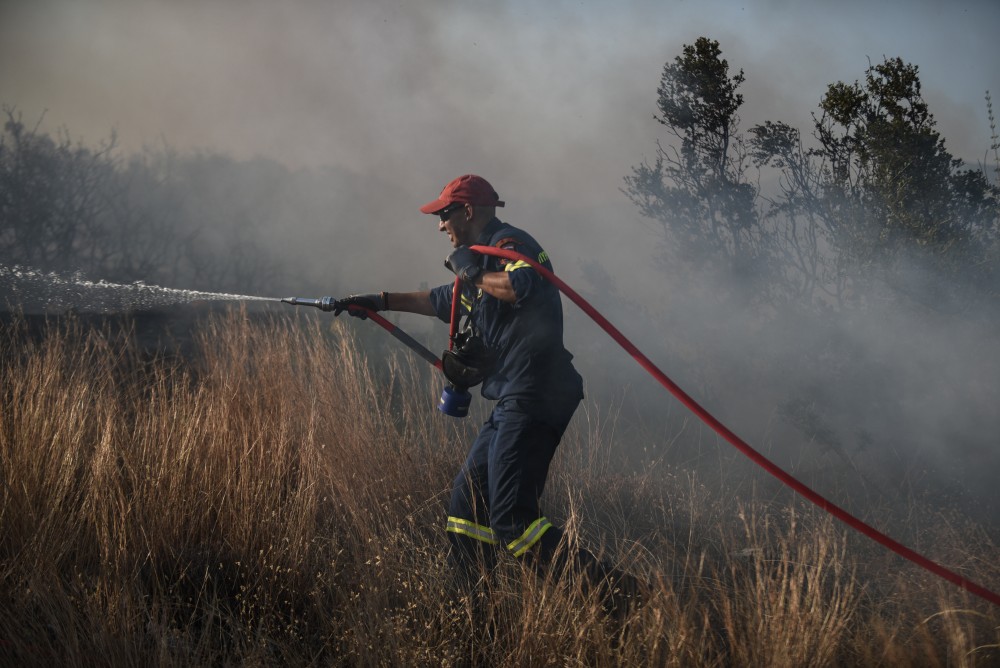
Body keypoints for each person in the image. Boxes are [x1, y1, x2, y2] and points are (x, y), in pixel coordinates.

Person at [337, 174, 628, 600]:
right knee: (465, 508)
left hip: (537, 392)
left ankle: (621, 598)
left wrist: (472, 270)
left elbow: (519, 286)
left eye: (444, 214)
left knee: (512, 521)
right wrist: (377, 300)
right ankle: (476, 615)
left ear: (468, 211)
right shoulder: (475, 262)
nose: (440, 225)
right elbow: (438, 300)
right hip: (512, 397)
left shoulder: (510, 245)